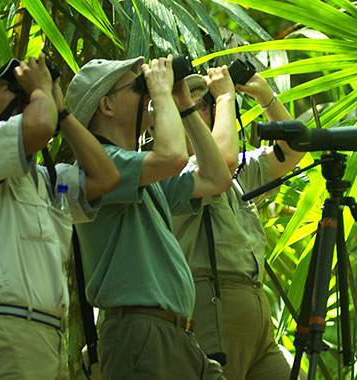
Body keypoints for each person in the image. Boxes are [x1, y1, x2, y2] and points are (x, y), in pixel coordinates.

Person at [0, 53, 119, 380]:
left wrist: (61, 110)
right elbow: (38, 127)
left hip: (47, 337)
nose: (24, 92)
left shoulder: (43, 178)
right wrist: (38, 91)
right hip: (3, 332)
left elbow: (106, 177)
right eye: (13, 88)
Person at [67, 55, 233, 379]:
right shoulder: (101, 168)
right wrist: (159, 93)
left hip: (177, 334)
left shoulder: (141, 169)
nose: (146, 91)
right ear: (107, 106)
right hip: (140, 334)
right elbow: (172, 157)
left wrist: (184, 104)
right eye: (137, 87)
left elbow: (217, 178)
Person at [171, 71, 305, 380]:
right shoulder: (172, 174)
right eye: (185, 107)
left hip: (256, 307)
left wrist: (265, 96)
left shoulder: (238, 172)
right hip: (212, 303)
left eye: (204, 105)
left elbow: (293, 149)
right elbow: (220, 163)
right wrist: (225, 96)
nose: (195, 113)